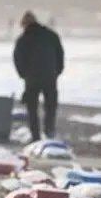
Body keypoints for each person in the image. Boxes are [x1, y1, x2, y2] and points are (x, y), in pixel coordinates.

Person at [13, 10, 64, 141]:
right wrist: (56, 72)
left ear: (24, 24)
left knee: (32, 110)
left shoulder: (23, 40)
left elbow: (18, 59)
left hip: (32, 79)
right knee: (50, 107)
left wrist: (23, 74)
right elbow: (60, 55)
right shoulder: (51, 35)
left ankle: (35, 136)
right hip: (50, 77)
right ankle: (49, 131)